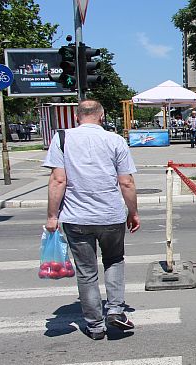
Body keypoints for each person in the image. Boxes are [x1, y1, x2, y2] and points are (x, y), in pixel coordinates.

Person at [43, 99, 140, 340]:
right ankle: (115, 309)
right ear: (102, 116)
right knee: (114, 260)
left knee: (86, 271)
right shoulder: (115, 140)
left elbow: (58, 180)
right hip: (110, 216)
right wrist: (133, 212)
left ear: (77, 117)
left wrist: (52, 216)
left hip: (76, 218)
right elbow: (126, 182)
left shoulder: (62, 139)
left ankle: (95, 326)